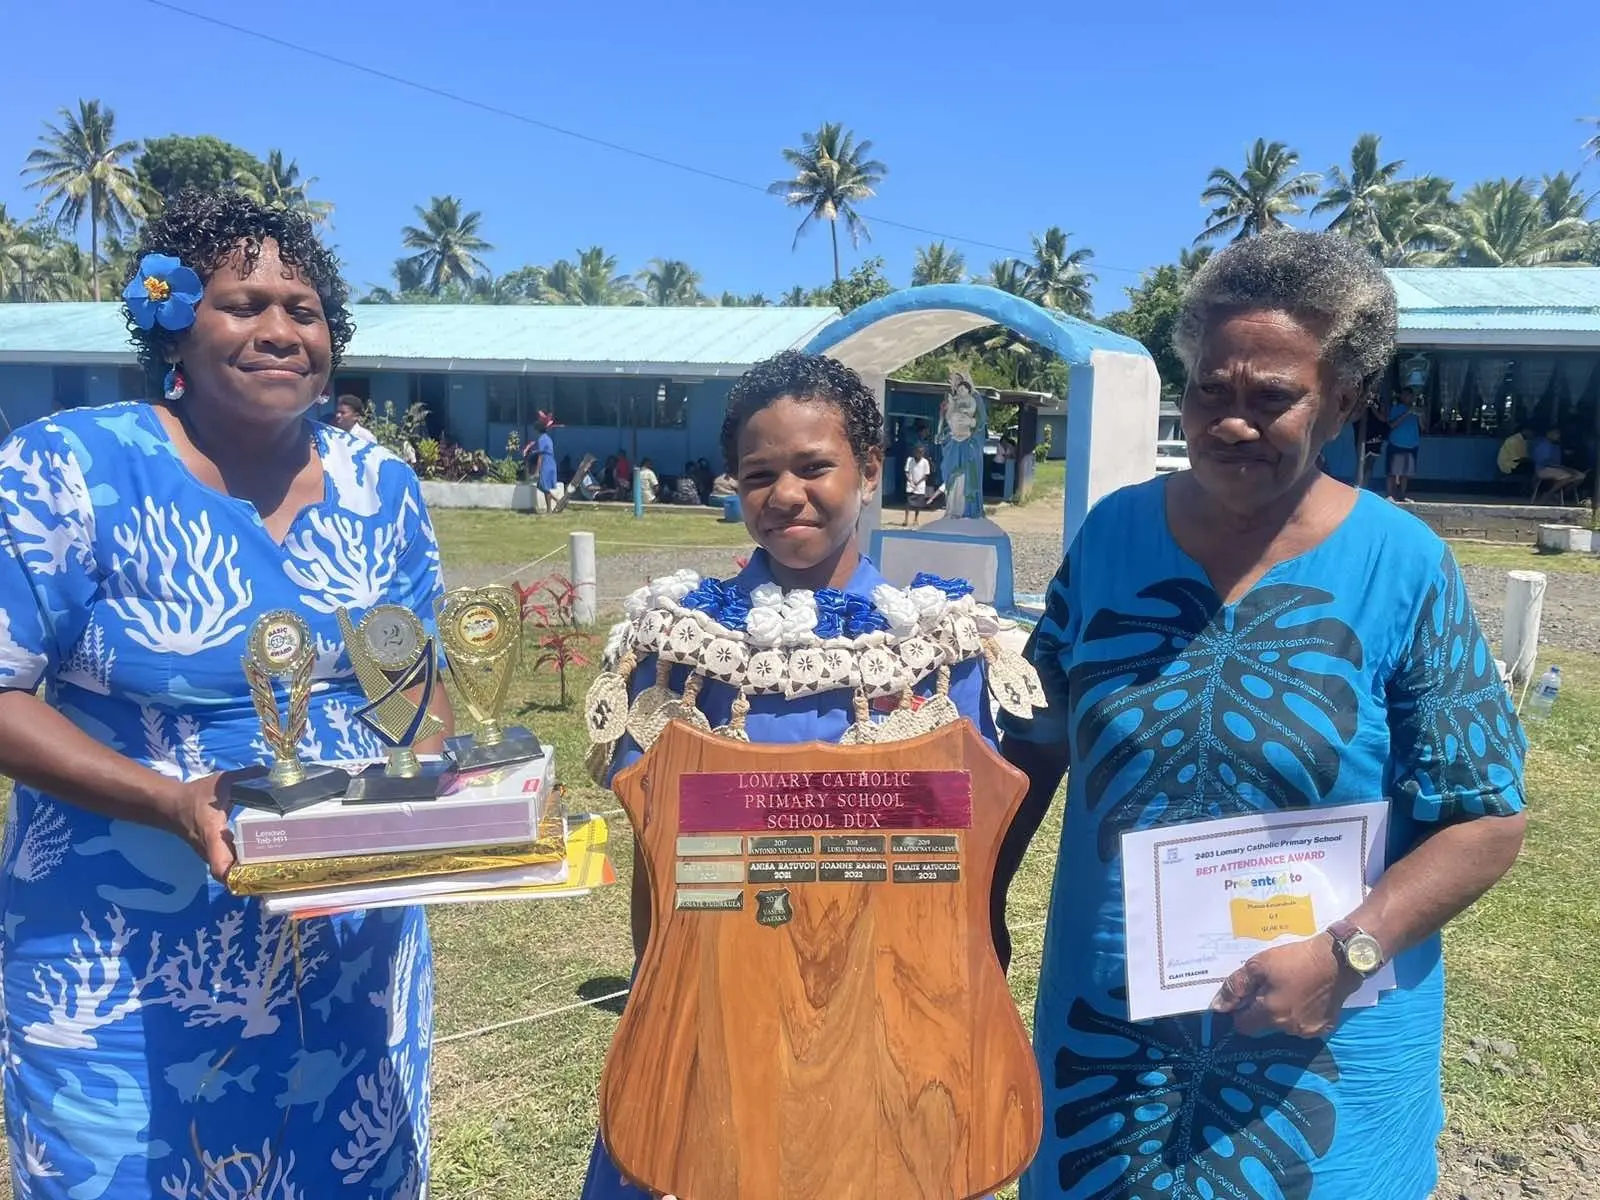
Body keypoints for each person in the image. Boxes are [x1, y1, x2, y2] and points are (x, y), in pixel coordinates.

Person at [998, 231, 1526, 1200]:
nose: (1231, 422)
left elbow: (1485, 820)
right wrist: (972, 904)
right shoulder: (1112, 537)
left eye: (1272, 397)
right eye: (1210, 389)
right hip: (1111, 1054)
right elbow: (1029, 742)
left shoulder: (1403, 567)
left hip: (1323, 1057)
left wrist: (1345, 954)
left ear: (1343, 401)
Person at [0, 188, 450, 1198]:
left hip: (349, 955)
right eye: (244, 304)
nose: (282, 329)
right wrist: (169, 800)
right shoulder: (69, 469)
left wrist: (462, 797)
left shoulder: (380, 486)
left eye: (305, 309)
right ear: (174, 323)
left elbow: (409, 687)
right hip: (122, 972)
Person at [579, 350, 1037, 1200]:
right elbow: (659, 862)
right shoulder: (679, 649)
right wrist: (663, 1010)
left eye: (814, 466)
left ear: (870, 470)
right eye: (759, 474)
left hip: (895, 1028)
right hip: (716, 1011)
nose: (786, 494)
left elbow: (955, 875)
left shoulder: (942, 650)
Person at [937, 370, 988, 518]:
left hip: (968, 443)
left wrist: (971, 422)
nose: (955, 385)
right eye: (952, 381)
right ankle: (952, 508)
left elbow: (981, 420)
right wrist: (942, 430)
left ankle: (968, 509)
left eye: (958, 381)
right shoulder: (950, 400)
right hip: (952, 443)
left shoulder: (974, 399)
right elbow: (944, 422)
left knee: (967, 475)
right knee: (951, 474)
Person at [1385, 387, 1422, 501]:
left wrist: (1421, 415)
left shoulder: (1418, 410)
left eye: (1409, 395)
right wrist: (1407, 413)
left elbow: (1424, 427)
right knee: (1392, 471)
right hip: (1396, 444)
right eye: (1404, 395)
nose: (1406, 397)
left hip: (1411, 445)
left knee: (1405, 473)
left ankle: (1402, 495)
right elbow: (1392, 425)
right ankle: (1390, 494)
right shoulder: (1396, 408)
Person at [1531, 427, 1587, 500]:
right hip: (1543, 469)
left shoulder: (1556, 445)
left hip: (1557, 468)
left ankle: (1561, 495)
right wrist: (1563, 468)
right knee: (1566, 477)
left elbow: (1557, 462)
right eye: (1556, 433)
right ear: (1548, 433)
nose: (1558, 435)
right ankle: (1548, 495)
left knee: (1580, 476)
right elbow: (1544, 462)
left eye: (1558, 434)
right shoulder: (1542, 444)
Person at [526, 411, 565, 513]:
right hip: (551, 462)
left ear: (537, 430)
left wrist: (537, 471)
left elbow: (541, 456)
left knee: (544, 486)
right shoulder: (548, 438)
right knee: (541, 485)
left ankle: (549, 509)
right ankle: (557, 500)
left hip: (546, 463)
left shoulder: (542, 439)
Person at [903, 442, 932, 526]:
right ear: (914, 452)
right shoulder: (910, 460)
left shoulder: (925, 462)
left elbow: (926, 475)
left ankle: (916, 519)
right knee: (908, 502)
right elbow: (907, 472)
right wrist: (910, 481)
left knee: (918, 504)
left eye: (921, 452)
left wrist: (918, 482)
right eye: (918, 452)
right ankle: (906, 519)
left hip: (920, 485)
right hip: (910, 484)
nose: (919, 454)